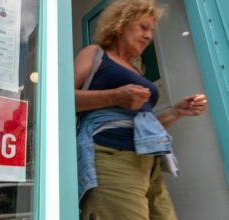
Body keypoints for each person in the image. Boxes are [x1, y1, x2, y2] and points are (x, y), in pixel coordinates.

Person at [74, 0, 207, 219]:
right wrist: (114, 96)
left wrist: (178, 111)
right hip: (111, 156)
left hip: (149, 162)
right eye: (143, 27)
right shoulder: (95, 54)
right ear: (120, 25)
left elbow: (143, 124)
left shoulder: (136, 70)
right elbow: (60, 99)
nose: (148, 36)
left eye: (152, 31)